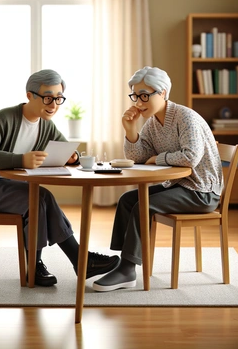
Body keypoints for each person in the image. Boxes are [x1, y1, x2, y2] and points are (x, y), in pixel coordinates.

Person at [0, 69, 120, 287]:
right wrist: (21, 160)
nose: (54, 105)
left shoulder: (45, 124)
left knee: (39, 198)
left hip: (13, 188)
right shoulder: (4, 118)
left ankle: (45, 265)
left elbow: (66, 148)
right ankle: (74, 261)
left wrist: (73, 157)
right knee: (39, 198)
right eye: (48, 97)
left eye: (59, 98)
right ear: (29, 95)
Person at [93, 66, 223, 292]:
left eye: (144, 95)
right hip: (179, 186)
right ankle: (123, 262)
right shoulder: (153, 123)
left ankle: (127, 269)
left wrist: (157, 159)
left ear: (162, 93)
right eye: (135, 96)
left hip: (202, 192)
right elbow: (138, 157)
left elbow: (190, 157)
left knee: (142, 206)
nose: (138, 102)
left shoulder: (186, 117)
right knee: (127, 200)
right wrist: (131, 130)